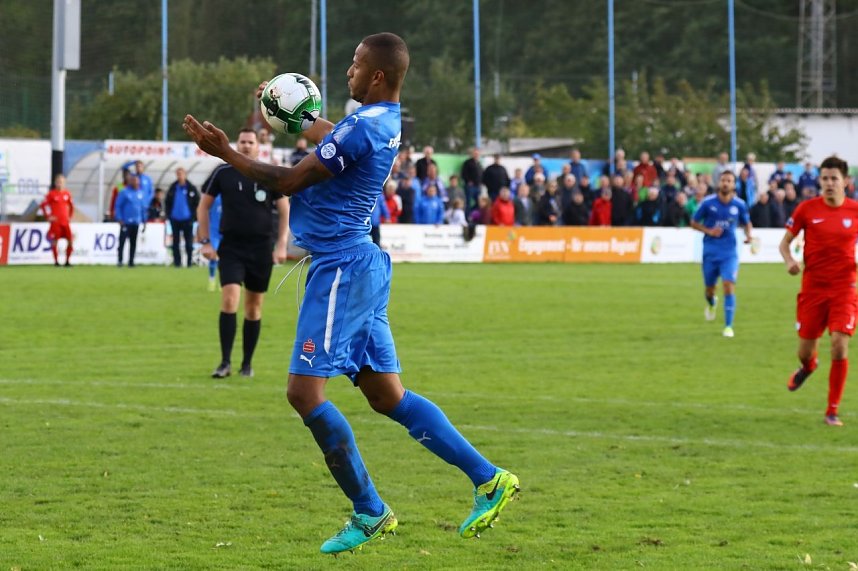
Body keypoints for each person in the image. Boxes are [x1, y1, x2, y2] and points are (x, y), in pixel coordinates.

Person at [182, 32, 519, 555]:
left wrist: (225, 152)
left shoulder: (365, 126)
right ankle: (489, 478)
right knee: (387, 396)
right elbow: (334, 133)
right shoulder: (382, 120)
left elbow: (290, 181)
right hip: (358, 264)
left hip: (342, 267)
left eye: (357, 64)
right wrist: (288, 110)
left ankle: (370, 511)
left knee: (303, 393)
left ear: (378, 76)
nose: (349, 71)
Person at [195, 128, 289, 379]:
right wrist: (205, 241)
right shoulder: (222, 172)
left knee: (254, 308)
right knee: (229, 300)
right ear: (236, 145)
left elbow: (284, 208)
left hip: (261, 248)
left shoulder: (268, 173)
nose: (246, 146)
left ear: (259, 147)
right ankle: (224, 362)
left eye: (251, 142)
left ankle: (246, 364)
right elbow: (204, 205)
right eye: (242, 142)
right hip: (232, 247)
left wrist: (281, 244)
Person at [779, 156, 858, 427]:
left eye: (834, 178)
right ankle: (808, 367)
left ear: (846, 182)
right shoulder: (806, 209)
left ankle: (832, 410)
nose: (828, 183)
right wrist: (790, 261)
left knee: (839, 344)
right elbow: (785, 243)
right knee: (805, 350)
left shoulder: (855, 211)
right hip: (812, 290)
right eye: (824, 178)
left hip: (844, 290)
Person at [690, 171, 752, 338]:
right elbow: (694, 222)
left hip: (729, 253)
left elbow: (747, 222)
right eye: (723, 180)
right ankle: (711, 303)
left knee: (728, 285)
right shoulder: (707, 203)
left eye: (729, 181)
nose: (726, 183)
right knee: (710, 289)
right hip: (710, 252)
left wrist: (749, 235)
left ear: (734, 185)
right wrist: (709, 231)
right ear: (719, 183)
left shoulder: (739, 204)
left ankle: (728, 326)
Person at [165, 167, 201, 267]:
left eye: (181, 173)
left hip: (188, 219)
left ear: (185, 174)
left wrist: (194, 216)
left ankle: (189, 262)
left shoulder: (191, 188)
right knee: (175, 242)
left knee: (188, 242)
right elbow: (167, 202)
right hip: (175, 219)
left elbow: (197, 203)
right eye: (178, 173)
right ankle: (177, 263)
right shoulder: (173, 188)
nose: (180, 175)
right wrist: (169, 215)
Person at [40, 174, 75, 267]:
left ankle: (67, 261)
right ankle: (56, 262)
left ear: (65, 183)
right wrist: (48, 216)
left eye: (62, 182)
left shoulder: (67, 194)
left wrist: (69, 216)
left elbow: (71, 206)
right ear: (55, 183)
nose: (60, 184)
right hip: (56, 222)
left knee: (70, 241)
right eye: (59, 182)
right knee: (55, 241)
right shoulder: (51, 194)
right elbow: (44, 205)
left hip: (65, 222)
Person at [114, 173, 148, 268]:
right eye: (134, 180)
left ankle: (131, 261)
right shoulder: (124, 192)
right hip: (125, 222)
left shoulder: (141, 193)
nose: (136, 182)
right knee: (122, 242)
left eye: (137, 180)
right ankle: (120, 260)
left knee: (133, 243)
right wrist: (119, 218)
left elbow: (143, 208)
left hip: (136, 222)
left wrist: (144, 220)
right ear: (131, 181)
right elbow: (118, 206)